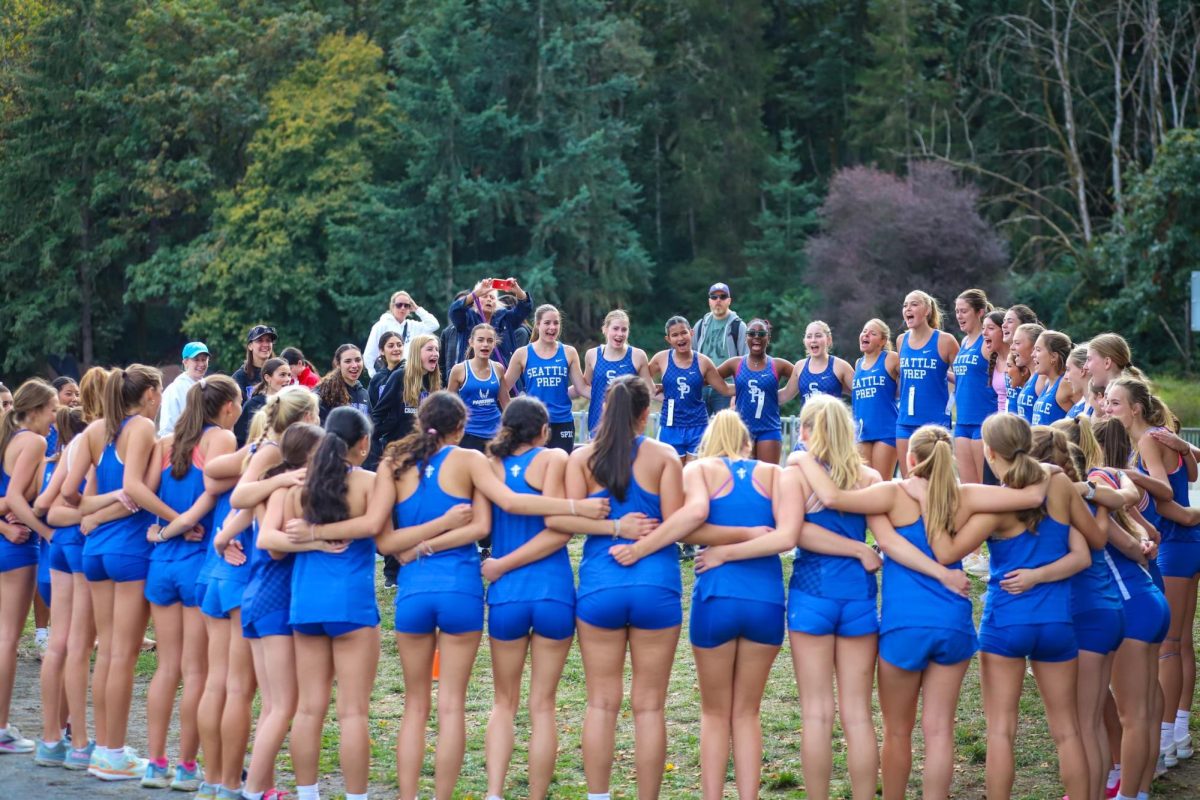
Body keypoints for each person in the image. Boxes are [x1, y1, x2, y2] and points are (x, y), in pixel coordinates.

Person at [294, 391, 605, 800]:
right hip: (461, 590)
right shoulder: (470, 460)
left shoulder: (392, 462)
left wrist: (420, 546)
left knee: (414, 706)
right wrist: (577, 507)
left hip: (413, 593)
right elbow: (491, 517)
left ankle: (407, 796)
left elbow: (386, 541)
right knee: (452, 706)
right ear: (460, 427)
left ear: (421, 423)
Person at [794, 423, 1045, 800]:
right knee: (940, 730)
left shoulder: (891, 494)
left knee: (897, 731)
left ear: (910, 459)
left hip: (904, 626)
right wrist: (1051, 472)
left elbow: (833, 498)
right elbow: (1031, 497)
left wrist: (800, 456)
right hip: (954, 624)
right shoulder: (968, 495)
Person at [609, 410, 803, 800]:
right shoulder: (776, 474)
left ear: (709, 442)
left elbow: (688, 525)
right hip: (765, 601)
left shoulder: (699, 471)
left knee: (715, 714)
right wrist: (742, 544)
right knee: (748, 713)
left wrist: (724, 553)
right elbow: (785, 537)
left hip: (716, 598)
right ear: (748, 443)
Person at [929, 412, 1099, 800]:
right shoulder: (1058, 485)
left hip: (1006, 620)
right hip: (1056, 621)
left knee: (1001, 730)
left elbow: (947, 550)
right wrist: (1041, 575)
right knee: (1068, 730)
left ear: (989, 452)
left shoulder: (997, 502)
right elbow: (1085, 552)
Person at [550, 374, 683, 800]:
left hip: (600, 585)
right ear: (647, 413)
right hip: (656, 586)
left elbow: (564, 520)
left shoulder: (582, 458)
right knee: (649, 707)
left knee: (601, 703)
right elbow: (679, 525)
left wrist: (611, 527)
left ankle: (598, 796)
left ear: (604, 408)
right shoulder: (665, 456)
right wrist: (638, 541)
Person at [480, 398, 588, 800]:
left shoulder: (490, 465)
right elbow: (559, 529)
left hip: (507, 592)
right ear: (543, 430)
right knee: (542, 705)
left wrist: (501, 563)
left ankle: (494, 793)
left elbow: (483, 526)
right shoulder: (554, 459)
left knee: (503, 703)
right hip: (553, 590)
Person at [141, 375, 242, 791]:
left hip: (160, 564)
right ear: (228, 407)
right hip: (197, 562)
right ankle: (186, 767)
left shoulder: (165, 443)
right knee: (197, 671)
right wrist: (180, 528)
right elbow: (210, 492)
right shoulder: (221, 439)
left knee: (167, 667)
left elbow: (143, 493)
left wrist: (162, 527)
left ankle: (154, 762)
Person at [782, 395, 884, 800]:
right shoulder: (871, 478)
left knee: (817, 712)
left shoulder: (797, 475)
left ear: (805, 432)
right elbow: (885, 541)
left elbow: (794, 533)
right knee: (858, 715)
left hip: (812, 594)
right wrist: (860, 549)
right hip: (858, 595)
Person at [69, 366, 166, 779]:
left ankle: (104, 750)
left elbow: (73, 495)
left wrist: (97, 511)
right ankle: (112, 752)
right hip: (129, 551)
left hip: (95, 552)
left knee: (107, 653)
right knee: (121, 656)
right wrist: (176, 519)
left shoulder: (95, 431)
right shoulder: (142, 426)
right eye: (158, 391)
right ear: (147, 394)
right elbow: (137, 490)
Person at [1106, 376, 1200, 770]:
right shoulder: (1159, 436)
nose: (1108, 408)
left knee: (1170, 646)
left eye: (1114, 403)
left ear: (1135, 409)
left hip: (1178, 544)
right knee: (1180, 644)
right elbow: (1191, 476)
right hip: (1185, 541)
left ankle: (1165, 736)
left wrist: (1121, 475)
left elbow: (1164, 494)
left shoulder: (1147, 440)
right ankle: (1177, 732)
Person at [1030, 423, 1124, 800]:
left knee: (1083, 724)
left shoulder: (1057, 500)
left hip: (1084, 613)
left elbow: (1092, 545)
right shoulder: (1080, 495)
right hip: (1106, 610)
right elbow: (1102, 531)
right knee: (1093, 721)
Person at [244, 422, 326, 800]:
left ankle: (263, 787)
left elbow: (234, 522)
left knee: (273, 705)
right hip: (275, 599)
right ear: (308, 455)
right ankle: (251, 788)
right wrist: (316, 540)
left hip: (257, 595)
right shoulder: (289, 488)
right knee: (283, 706)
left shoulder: (273, 486)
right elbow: (274, 545)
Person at [1091, 416, 1171, 800]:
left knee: (1133, 715)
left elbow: (1130, 541)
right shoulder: (1108, 483)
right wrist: (1143, 542)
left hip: (1131, 606)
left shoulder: (1092, 490)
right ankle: (1140, 786)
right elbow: (1149, 533)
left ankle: (1132, 793)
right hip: (1150, 599)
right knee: (1147, 707)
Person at [0, 380, 58, 756]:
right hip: (18, 548)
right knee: (8, 638)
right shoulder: (34, 441)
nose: (55, 418)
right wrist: (46, 532)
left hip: (7, 541)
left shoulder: (9, 437)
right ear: (35, 410)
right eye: (52, 409)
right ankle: (1, 727)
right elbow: (18, 499)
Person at [503, 304, 589, 453]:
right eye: (547, 323)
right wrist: (511, 409)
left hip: (562, 422)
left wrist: (607, 396)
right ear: (537, 325)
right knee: (535, 470)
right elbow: (502, 389)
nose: (552, 327)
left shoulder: (569, 352)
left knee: (561, 469)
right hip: (533, 422)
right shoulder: (522, 354)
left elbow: (581, 388)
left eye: (556, 323)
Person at [647, 316, 733, 462]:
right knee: (673, 476)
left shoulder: (703, 362)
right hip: (671, 426)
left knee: (693, 475)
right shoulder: (661, 359)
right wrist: (658, 392)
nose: (680, 338)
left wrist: (751, 384)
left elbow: (724, 389)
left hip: (698, 426)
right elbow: (642, 378)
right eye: (675, 335)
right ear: (668, 339)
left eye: (684, 332)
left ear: (691, 333)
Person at [895, 290, 958, 477]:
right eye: (905, 305)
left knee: (936, 479)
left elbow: (965, 377)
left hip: (935, 423)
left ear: (927, 310)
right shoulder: (901, 340)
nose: (908, 308)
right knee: (908, 481)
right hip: (905, 421)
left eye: (914, 304)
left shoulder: (945, 341)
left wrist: (944, 376)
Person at [716, 319, 795, 465]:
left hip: (769, 429)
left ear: (768, 338)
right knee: (743, 478)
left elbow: (804, 376)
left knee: (767, 479)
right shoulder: (735, 363)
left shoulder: (778, 365)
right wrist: (666, 385)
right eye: (751, 333)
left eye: (761, 334)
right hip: (742, 430)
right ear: (746, 337)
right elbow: (707, 377)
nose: (756, 337)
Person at [582, 309, 653, 436]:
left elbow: (649, 391)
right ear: (605, 329)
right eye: (615, 328)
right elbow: (583, 386)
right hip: (598, 426)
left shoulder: (638, 356)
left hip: (629, 427)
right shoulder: (592, 355)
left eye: (624, 330)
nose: (620, 334)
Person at [952, 289, 996, 484]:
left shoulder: (987, 344)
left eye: (964, 311)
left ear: (979, 312)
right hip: (962, 421)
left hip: (984, 420)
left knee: (985, 486)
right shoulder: (964, 342)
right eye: (957, 311)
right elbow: (966, 378)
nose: (959, 316)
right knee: (968, 488)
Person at [447, 324, 509, 452]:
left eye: (490, 340)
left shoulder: (498, 368)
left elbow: (506, 403)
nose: (485, 344)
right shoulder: (459, 370)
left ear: (494, 344)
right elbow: (449, 406)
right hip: (469, 434)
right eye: (480, 340)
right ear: (471, 342)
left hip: (495, 434)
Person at [852, 318, 899, 480]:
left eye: (872, 333)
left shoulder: (890, 358)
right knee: (863, 483)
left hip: (885, 430)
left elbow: (910, 381)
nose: (866, 335)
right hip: (862, 431)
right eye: (864, 331)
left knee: (881, 482)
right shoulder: (858, 363)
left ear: (883, 341)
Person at [448, 278, 533, 367]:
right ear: (475, 300)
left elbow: (525, 308)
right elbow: (454, 311)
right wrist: (475, 293)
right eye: (484, 296)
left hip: (502, 376)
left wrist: (517, 290)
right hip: (472, 375)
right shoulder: (467, 318)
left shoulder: (505, 318)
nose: (489, 299)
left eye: (492, 297)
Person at [692, 282, 748, 416]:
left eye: (723, 297)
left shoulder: (738, 326)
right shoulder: (700, 325)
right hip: (702, 387)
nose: (718, 300)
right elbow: (691, 358)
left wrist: (737, 393)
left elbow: (746, 363)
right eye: (714, 297)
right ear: (709, 301)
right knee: (698, 432)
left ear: (729, 300)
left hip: (727, 388)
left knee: (725, 432)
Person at [362, 291, 441, 377]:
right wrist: (375, 376)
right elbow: (369, 354)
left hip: (409, 374)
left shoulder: (413, 326)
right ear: (392, 307)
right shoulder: (381, 326)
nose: (402, 308)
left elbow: (434, 325)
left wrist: (417, 309)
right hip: (387, 374)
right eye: (399, 305)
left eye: (406, 305)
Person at [778, 320, 854, 409]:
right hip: (807, 422)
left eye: (818, 336)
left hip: (831, 422)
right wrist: (763, 391)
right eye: (809, 336)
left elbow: (860, 392)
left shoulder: (840, 366)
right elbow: (785, 395)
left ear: (829, 340)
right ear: (804, 341)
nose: (813, 340)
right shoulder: (799, 366)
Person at [234, 358, 292, 447]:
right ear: (267, 378)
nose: (288, 379)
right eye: (282, 375)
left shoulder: (291, 404)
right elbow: (241, 439)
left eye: (289, 375)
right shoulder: (253, 405)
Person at [159, 342, 211, 436]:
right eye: (196, 360)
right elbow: (167, 430)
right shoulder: (174, 390)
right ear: (185, 362)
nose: (201, 364)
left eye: (204, 359)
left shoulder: (209, 386)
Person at [315, 344, 368, 425]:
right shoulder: (325, 392)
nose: (354, 365)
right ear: (338, 364)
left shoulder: (364, 394)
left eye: (358, 360)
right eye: (348, 361)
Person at [1030, 330, 1073, 425]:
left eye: (1038, 350)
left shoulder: (1065, 383)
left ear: (1053, 357)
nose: (1032, 354)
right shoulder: (1047, 383)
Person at [233, 326, 278, 402]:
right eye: (260, 340)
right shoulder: (240, 377)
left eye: (268, 340)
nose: (265, 344)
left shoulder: (280, 372)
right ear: (250, 346)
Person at [1010, 323, 1044, 422]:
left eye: (1017, 343)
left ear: (1034, 347)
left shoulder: (1042, 378)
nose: (1012, 347)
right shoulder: (1032, 377)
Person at [366, 332, 405, 410]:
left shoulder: (411, 373)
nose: (396, 349)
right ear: (382, 351)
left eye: (399, 345)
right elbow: (371, 409)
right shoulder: (377, 379)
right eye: (391, 346)